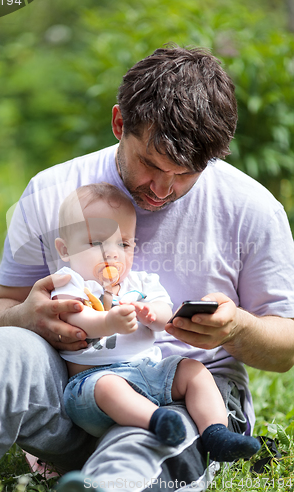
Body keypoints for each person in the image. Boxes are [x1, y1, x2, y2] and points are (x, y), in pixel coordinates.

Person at [0, 45, 293, 492]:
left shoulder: (251, 210)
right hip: (74, 387)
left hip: (180, 395)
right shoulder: (51, 192)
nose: (162, 188)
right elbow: (0, 307)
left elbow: (286, 347)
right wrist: (24, 316)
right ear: (120, 123)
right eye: (151, 164)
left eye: (185, 174)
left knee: (157, 435)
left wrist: (237, 328)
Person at [52, 183, 260, 461]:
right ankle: (159, 422)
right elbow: (73, 316)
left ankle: (216, 433)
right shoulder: (70, 282)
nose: (112, 253)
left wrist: (151, 313)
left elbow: (164, 313)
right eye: (97, 243)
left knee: (192, 369)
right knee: (109, 387)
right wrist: (108, 322)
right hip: (91, 384)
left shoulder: (141, 282)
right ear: (65, 250)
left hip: (149, 372)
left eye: (123, 244)